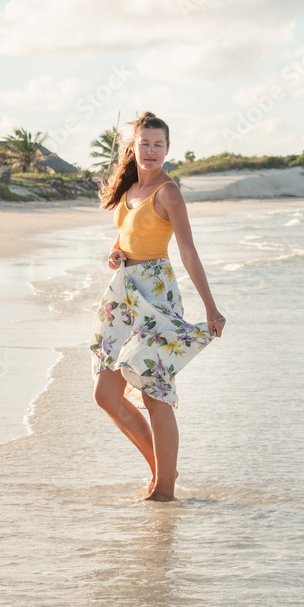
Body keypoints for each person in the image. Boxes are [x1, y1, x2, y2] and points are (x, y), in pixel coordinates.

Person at [89, 111, 225, 502]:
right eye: (144, 144)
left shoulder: (168, 193)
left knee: (153, 391)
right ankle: (163, 470)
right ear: (133, 147)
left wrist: (211, 308)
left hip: (156, 295)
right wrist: (115, 255)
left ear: (168, 149)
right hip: (122, 295)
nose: (150, 151)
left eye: (158, 145)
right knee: (106, 394)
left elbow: (188, 252)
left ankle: (164, 489)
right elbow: (124, 238)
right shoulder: (129, 188)